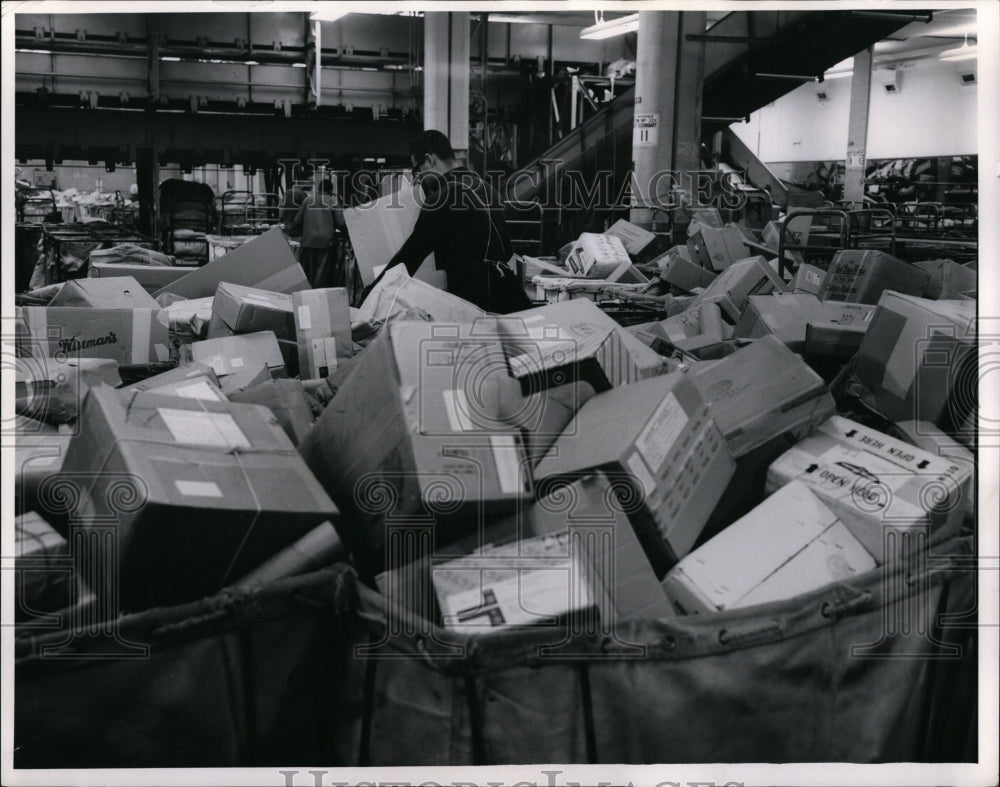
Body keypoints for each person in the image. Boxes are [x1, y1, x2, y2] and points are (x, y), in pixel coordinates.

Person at [365, 129, 530, 314]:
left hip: (473, 305)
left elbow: (409, 258)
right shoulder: (488, 188)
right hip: (506, 295)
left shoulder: (442, 198)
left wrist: (370, 294)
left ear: (430, 159)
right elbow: (506, 250)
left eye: (417, 169)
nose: (419, 178)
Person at [290, 178, 346, 288]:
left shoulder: (308, 200)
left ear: (319, 188)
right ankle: (319, 297)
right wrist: (348, 233)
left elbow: (297, 221)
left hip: (308, 242)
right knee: (322, 275)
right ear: (330, 190)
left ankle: (307, 296)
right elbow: (340, 223)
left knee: (309, 274)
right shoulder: (332, 200)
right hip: (325, 243)